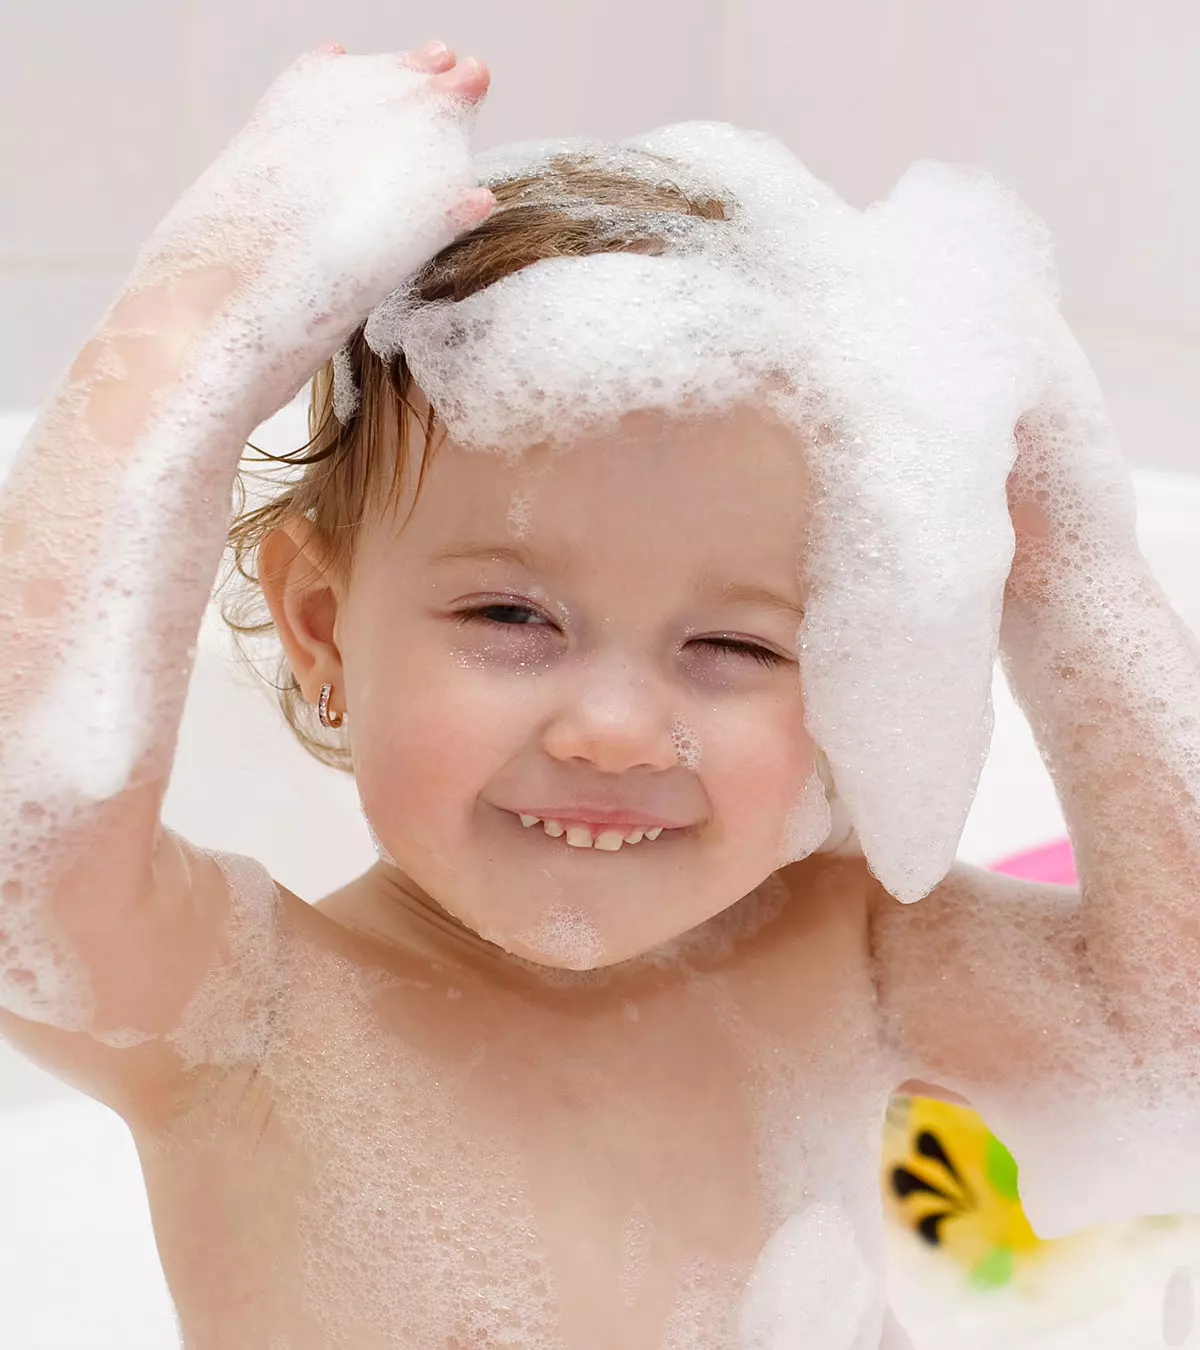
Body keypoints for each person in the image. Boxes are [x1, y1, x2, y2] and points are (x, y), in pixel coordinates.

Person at [2, 37, 1199, 1350]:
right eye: (513, 616)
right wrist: (188, 322)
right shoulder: (249, 1010)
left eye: (737, 647)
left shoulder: (843, 951)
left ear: (861, 654)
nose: (615, 728)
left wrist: (1071, 566)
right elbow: (26, 852)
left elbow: (1174, 1032)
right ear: (323, 623)